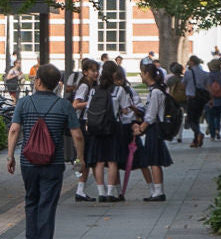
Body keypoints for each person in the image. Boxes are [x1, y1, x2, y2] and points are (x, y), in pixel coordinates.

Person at [6, 64, 84, 239]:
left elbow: (14, 129)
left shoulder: (24, 103)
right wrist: (79, 158)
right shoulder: (64, 105)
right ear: (57, 84)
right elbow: (77, 135)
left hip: (28, 161)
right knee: (47, 203)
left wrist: (10, 156)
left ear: (38, 81)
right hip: (53, 161)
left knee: (31, 199)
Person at [85, 61, 135, 202]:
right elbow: (126, 110)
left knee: (99, 161)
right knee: (112, 161)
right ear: (114, 73)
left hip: (96, 128)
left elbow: (89, 108)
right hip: (113, 128)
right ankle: (111, 193)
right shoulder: (119, 90)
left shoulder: (94, 89)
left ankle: (101, 192)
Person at [133, 64, 173, 202]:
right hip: (154, 128)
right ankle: (158, 190)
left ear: (147, 74)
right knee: (155, 160)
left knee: (154, 161)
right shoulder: (155, 90)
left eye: (142, 73)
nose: (141, 76)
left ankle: (158, 192)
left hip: (154, 128)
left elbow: (151, 115)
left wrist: (141, 128)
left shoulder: (155, 92)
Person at [69, 58, 100, 201]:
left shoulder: (93, 85)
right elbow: (75, 104)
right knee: (82, 156)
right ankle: (80, 188)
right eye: (93, 71)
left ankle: (80, 190)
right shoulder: (85, 86)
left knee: (85, 157)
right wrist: (91, 102)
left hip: (87, 123)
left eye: (97, 70)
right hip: (82, 123)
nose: (96, 73)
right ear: (85, 72)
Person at [182, 55, 209, 148]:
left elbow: (183, 83)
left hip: (192, 98)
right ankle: (195, 140)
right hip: (201, 99)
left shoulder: (188, 73)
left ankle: (198, 133)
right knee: (196, 119)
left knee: (190, 120)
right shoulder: (204, 73)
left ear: (192, 62)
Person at [205, 59, 221, 141]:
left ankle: (212, 135)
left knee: (210, 117)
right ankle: (217, 130)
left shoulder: (208, 75)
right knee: (218, 116)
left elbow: (207, 86)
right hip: (220, 98)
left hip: (210, 99)